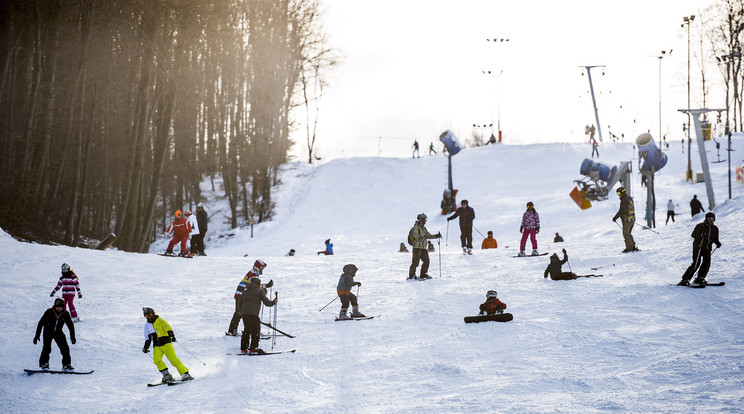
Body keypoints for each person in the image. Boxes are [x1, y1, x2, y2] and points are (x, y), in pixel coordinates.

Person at [141, 307, 192, 382]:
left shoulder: (160, 320)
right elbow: (147, 338)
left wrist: (171, 336)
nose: (149, 317)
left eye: (150, 314)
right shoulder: (147, 326)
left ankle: (185, 374)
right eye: (147, 316)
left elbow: (168, 328)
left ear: (153, 313)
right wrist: (145, 347)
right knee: (157, 360)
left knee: (173, 360)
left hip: (166, 343)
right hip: (157, 346)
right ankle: (167, 375)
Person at [678, 212, 721, 286]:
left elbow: (715, 238)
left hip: (707, 248)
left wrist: (717, 243)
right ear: (706, 219)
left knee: (706, 263)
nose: (711, 220)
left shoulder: (715, 228)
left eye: (712, 218)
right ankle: (685, 279)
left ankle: (700, 277)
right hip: (698, 247)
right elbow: (693, 235)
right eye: (709, 218)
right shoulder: (700, 226)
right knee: (696, 263)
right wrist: (701, 234)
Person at [227, 259, 268, 336]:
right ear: (258, 267)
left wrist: (264, 286)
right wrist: (265, 287)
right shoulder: (253, 275)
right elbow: (254, 286)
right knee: (242, 313)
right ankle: (238, 331)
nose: (262, 269)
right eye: (262, 267)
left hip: (242, 295)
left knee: (241, 313)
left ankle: (232, 331)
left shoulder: (253, 273)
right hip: (241, 295)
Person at [34, 298, 76, 370]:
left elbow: (70, 325)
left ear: (63, 307)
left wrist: (72, 337)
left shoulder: (65, 313)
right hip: (48, 332)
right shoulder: (49, 312)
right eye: (57, 307)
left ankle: (66, 364)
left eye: (60, 307)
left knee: (65, 348)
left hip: (58, 332)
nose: (59, 308)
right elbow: (41, 323)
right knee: (47, 348)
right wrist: (37, 335)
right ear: (55, 306)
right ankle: (44, 364)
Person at [239, 276, 277, 354]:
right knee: (255, 330)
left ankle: (244, 348)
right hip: (253, 314)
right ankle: (254, 348)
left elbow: (239, 304)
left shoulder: (245, 292)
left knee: (247, 329)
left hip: (244, 314)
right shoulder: (259, 291)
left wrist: (242, 312)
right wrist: (274, 302)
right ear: (257, 283)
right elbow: (267, 303)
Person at [408, 213, 441, 279]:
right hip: (417, 247)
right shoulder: (415, 227)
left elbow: (428, 235)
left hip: (423, 248)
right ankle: (411, 276)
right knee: (415, 263)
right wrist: (420, 237)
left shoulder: (424, 228)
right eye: (425, 219)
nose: (426, 221)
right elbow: (415, 235)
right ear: (421, 219)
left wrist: (436, 236)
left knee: (426, 261)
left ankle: (423, 275)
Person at [612, 187, 638, 253]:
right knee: (628, 233)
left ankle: (630, 248)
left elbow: (622, 210)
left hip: (627, 220)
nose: (618, 195)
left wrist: (615, 217)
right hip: (632, 219)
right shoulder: (629, 198)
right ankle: (632, 246)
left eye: (618, 193)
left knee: (626, 234)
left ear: (622, 192)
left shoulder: (624, 200)